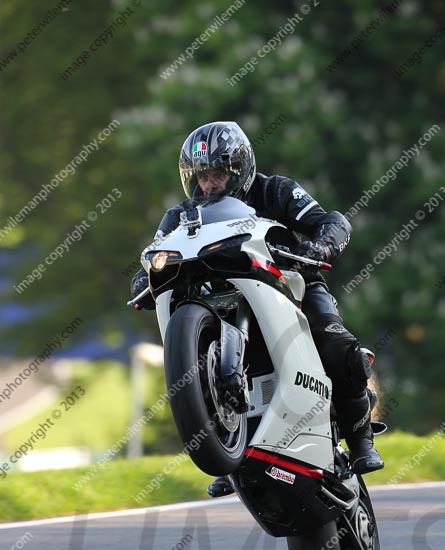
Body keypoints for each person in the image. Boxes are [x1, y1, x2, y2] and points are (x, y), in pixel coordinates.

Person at [131, 121, 384, 497]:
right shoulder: (181, 216)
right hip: (218, 301)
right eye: (201, 178)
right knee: (199, 365)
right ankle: (226, 448)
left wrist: (319, 248)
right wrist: (144, 281)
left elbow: (332, 221)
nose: (209, 185)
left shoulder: (276, 189)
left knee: (336, 344)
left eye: (217, 174)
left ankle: (360, 437)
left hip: (291, 284)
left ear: (239, 168)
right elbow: (156, 253)